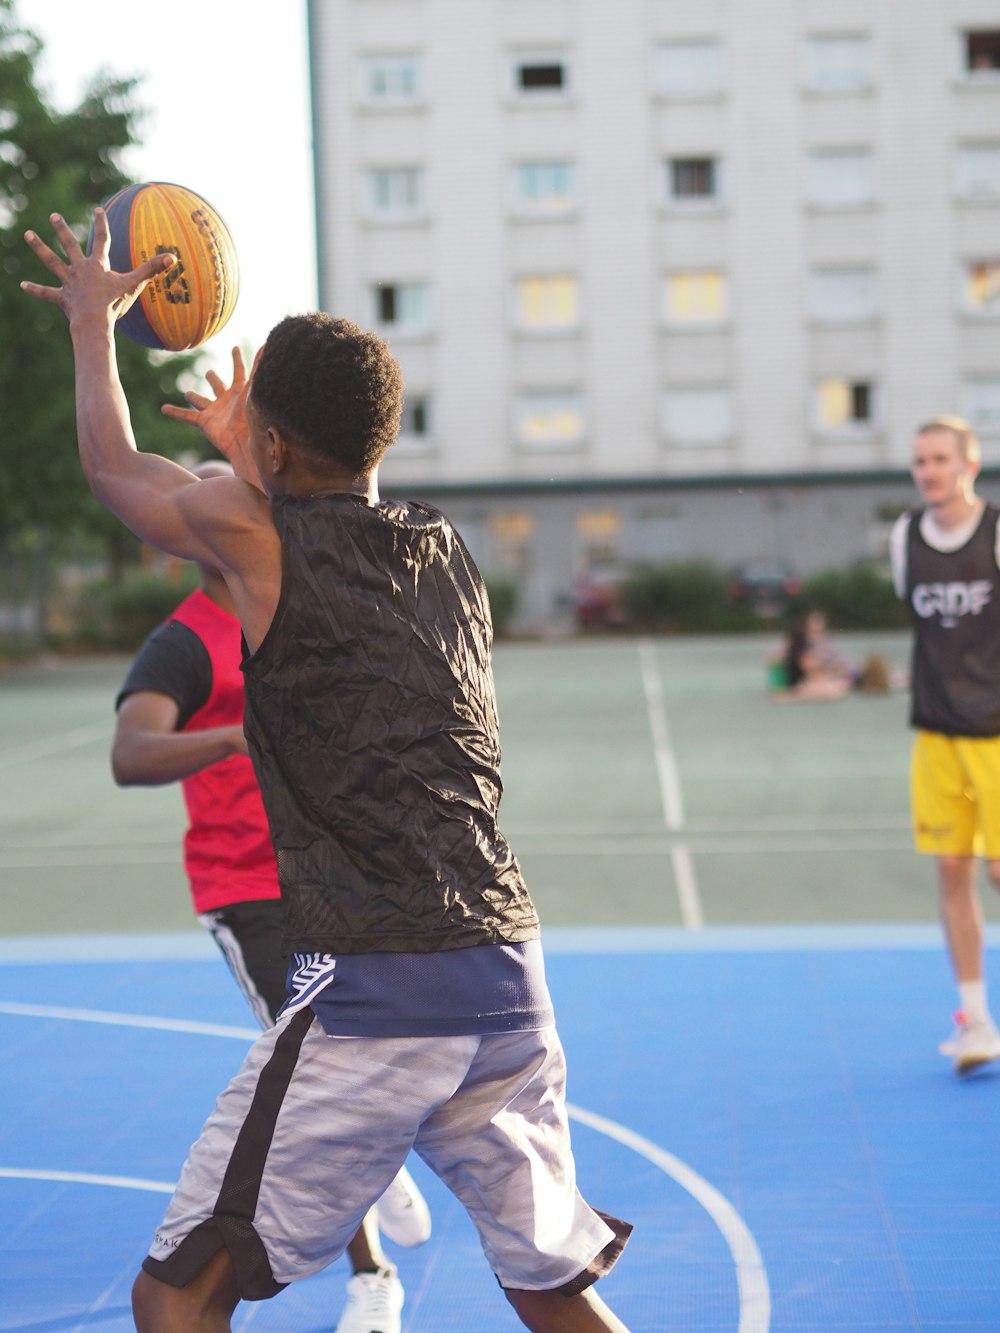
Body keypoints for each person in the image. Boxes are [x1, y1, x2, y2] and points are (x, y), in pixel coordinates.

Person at [22, 212, 631, 1332]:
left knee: (175, 1292)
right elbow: (294, 495)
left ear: (274, 451)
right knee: (548, 1291)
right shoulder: (442, 548)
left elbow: (115, 467)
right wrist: (252, 446)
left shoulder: (254, 538)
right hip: (508, 976)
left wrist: (93, 322)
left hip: (378, 984)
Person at [111, 463, 432, 1333]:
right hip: (248, 888)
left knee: (376, 1055)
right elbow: (130, 754)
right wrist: (232, 735)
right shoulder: (184, 642)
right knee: (303, 1084)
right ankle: (373, 1275)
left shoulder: (296, 607)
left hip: (337, 869)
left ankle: (384, 1153)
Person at [890, 415, 1000, 1075]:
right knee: (953, 871)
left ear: (969, 465)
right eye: (919, 461)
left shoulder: (994, 533)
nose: (928, 470)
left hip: (997, 733)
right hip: (936, 732)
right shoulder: (906, 538)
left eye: (939, 459)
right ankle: (976, 1017)